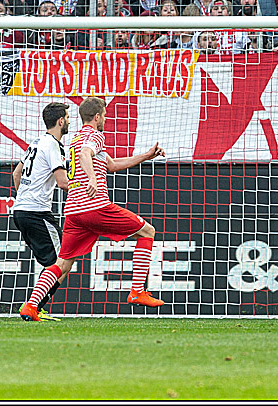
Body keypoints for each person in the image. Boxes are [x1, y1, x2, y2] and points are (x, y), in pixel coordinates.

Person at [19, 97, 167, 321]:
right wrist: (92, 179)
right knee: (148, 231)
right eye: (105, 116)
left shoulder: (75, 139)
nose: (106, 120)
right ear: (97, 117)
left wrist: (147, 155)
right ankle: (137, 291)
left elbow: (112, 165)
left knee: (63, 262)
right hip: (94, 206)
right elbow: (86, 154)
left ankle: (31, 306)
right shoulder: (94, 136)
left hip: (73, 212)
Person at [11, 102, 71, 321]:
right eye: (67, 117)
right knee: (62, 262)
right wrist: (89, 185)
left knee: (55, 263)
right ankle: (32, 306)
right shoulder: (54, 146)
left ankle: (35, 306)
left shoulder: (35, 143)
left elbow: (17, 174)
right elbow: (63, 182)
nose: (69, 121)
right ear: (60, 121)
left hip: (20, 211)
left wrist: (24, 198)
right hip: (36, 212)